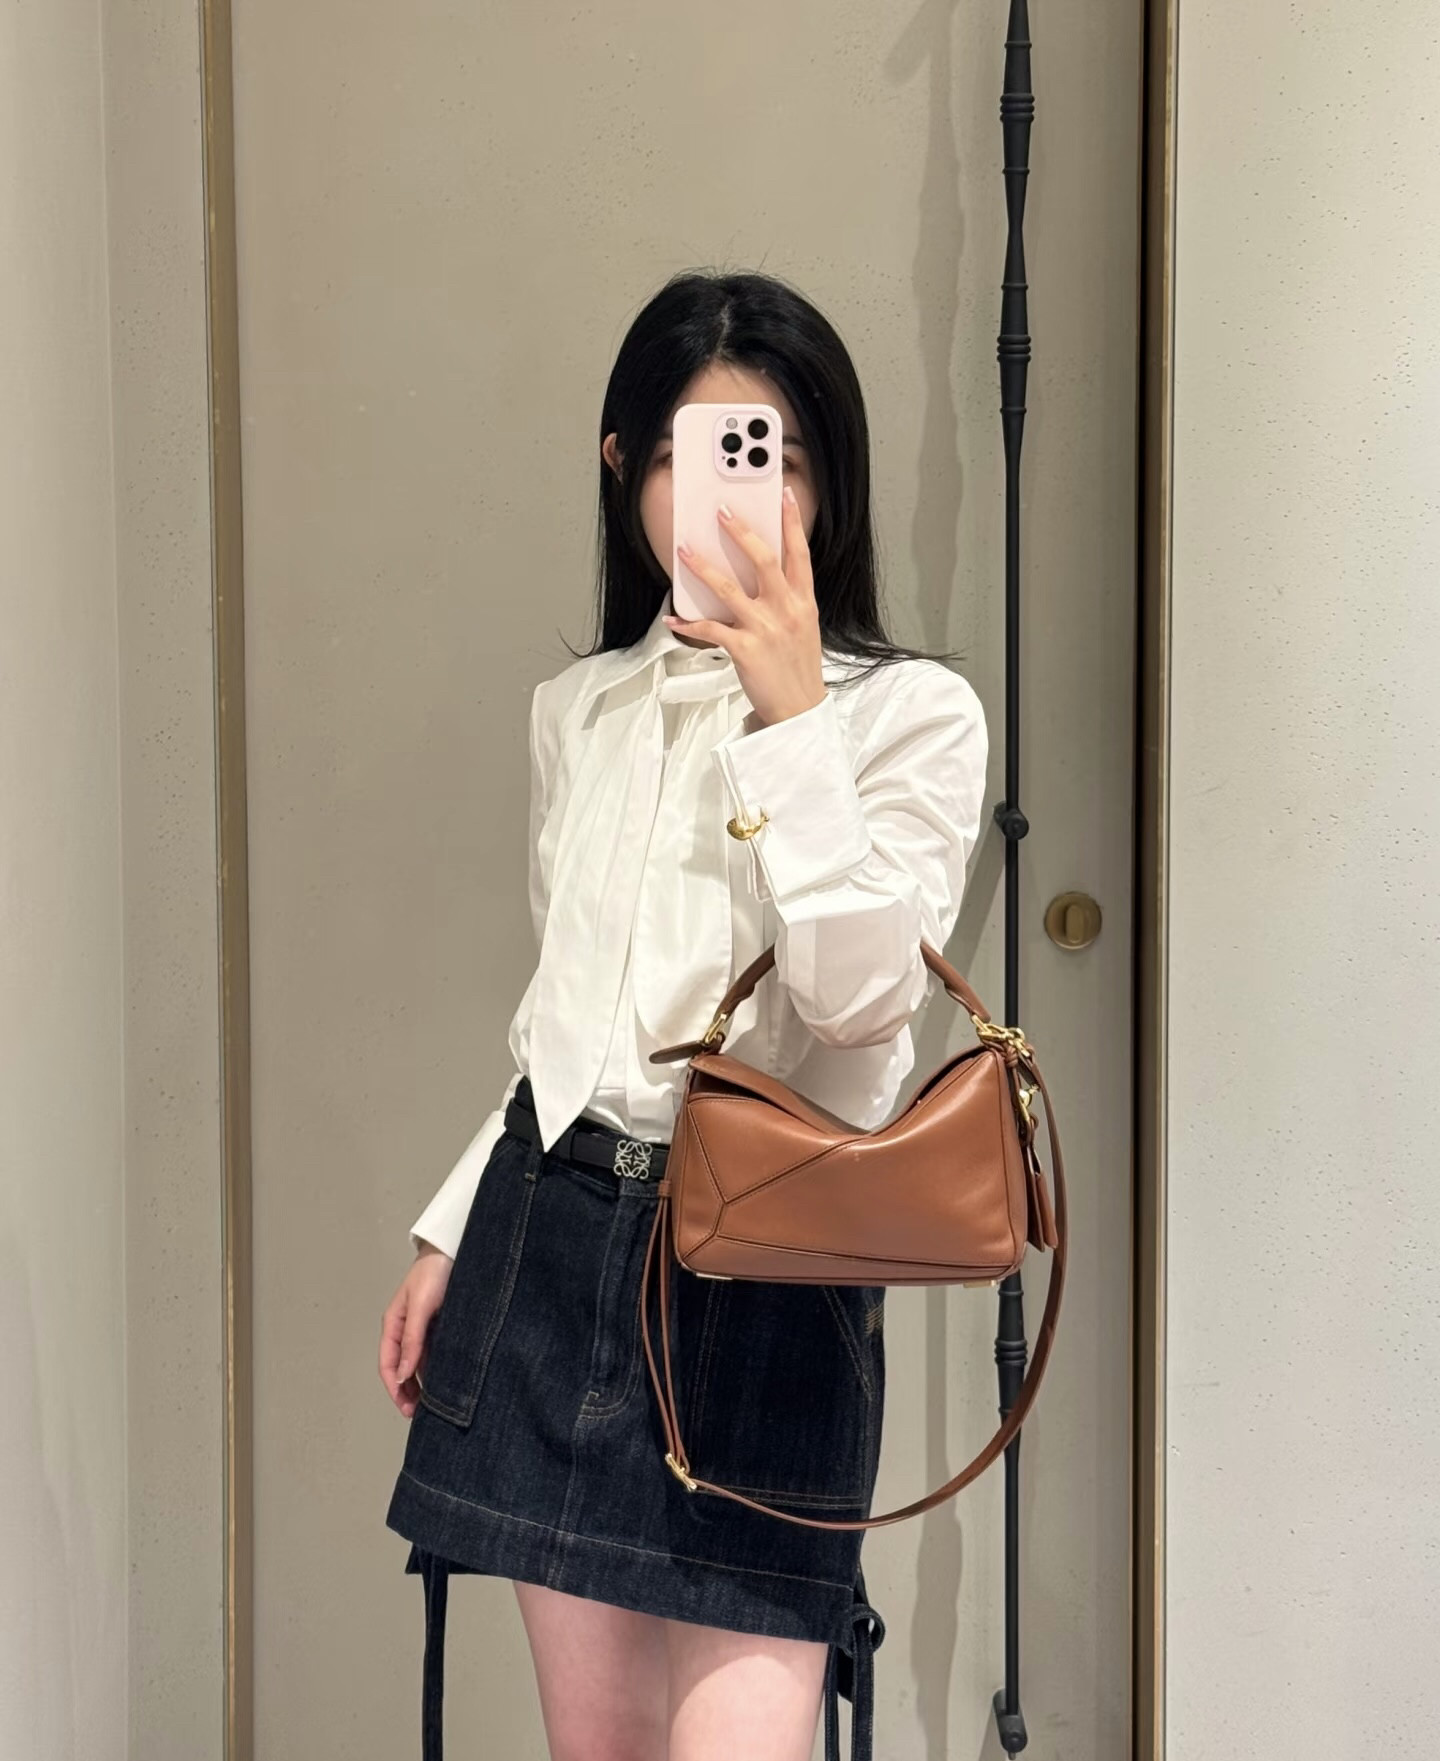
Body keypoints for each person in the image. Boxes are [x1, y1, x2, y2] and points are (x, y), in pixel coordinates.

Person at [377, 268, 989, 1761]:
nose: (723, 496)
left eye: (767, 454)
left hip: (764, 1274)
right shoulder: (578, 711)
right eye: (680, 454)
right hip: (552, 1242)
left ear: (823, 478)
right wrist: (454, 1228)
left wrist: (794, 719)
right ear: (624, 469)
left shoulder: (913, 715)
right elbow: (564, 1019)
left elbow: (859, 1007)